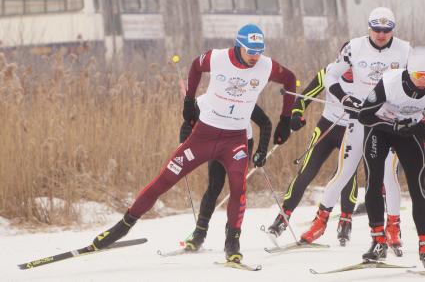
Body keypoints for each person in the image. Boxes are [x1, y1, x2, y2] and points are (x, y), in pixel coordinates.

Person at [90, 24, 296, 263]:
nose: (255, 56)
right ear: (238, 46)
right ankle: (121, 228)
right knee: (164, 179)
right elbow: (195, 67)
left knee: (238, 187)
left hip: (235, 140)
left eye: (259, 51)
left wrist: (285, 119)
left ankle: (232, 242)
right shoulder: (217, 58)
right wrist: (189, 100)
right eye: (251, 51)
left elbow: (290, 79)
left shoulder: (266, 66)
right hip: (203, 137)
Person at [299, 7, 410, 248]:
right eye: (377, 29)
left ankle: (393, 227)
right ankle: (320, 222)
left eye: (386, 30)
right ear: (369, 27)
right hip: (360, 120)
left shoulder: (405, 49)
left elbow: (413, 82)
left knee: (389, 177)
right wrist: (344, 98)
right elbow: (331, 76)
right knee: (344, 173)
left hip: (388, 122)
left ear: (393, 30)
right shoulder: (354, 47)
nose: (381, 34)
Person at [267, 65, 359, 247]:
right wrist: (296, 115)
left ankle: (345, 221)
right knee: (306, 172)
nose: (350, 68)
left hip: (352, 131)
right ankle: (282, 219)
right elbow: (303, 98)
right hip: (326, 128)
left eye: (354, 64)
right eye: (346, 63)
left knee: (347, 175)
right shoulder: (329, 72)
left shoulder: (366, 76)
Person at [357, 47, 425, 266]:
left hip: (407, 132)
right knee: (374, 181)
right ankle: (378, 241)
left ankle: (423, 245)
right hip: (380, 129)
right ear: (409, 72)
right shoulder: (390, 81)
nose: (422, 81)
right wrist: (393, 125)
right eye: (418, 76)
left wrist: (415, 127)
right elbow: (364, 116)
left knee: (419, 186)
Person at [180, 103, 272, 251]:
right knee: (214, 187)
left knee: (237, 189)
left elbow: (265, 123)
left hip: (241, 143)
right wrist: (182, 147)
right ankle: (199, 234)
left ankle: (232, 240)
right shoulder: (206, 100)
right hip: (217, 142)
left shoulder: (245, 98)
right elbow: (187, 124)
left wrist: (262, 150)